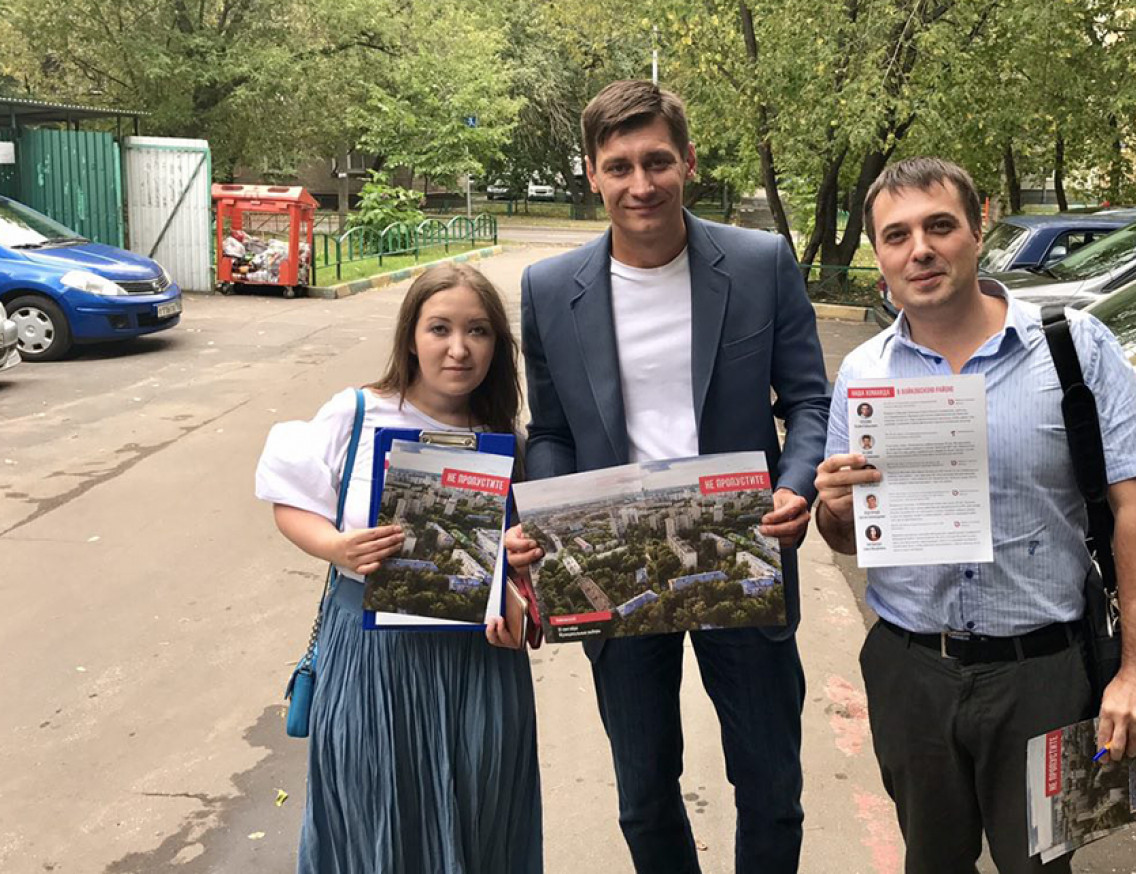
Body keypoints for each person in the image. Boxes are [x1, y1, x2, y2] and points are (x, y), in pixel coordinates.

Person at [504, 80, 830, 873]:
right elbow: (549, 430)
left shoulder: (758, 263)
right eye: (619, 166)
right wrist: (545, 518)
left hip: (736, 547)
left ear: (687, 160)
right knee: (644, 793)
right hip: (613, 559)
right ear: (591, 173)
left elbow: (810, 401)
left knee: (770, 786)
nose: (639, 184)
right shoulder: (550, 290)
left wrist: (796, 482)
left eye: (656, 161)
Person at [813, 158, 1136, 874]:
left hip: (1041, 675)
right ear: (878, 257)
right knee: (931, 862)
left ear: (980, 225)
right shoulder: (863, 375)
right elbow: (847, 538)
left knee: (1040, 865)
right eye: (896, 236)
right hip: (912, 671)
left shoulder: (1074, 348)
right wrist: (835, 510)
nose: (920, 249)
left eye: (939, 226)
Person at [255, 264, 542, 873]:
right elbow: (290, 499)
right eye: (440, 328)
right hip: (370, 660)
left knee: (481, 818)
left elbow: (520, 561)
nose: (458, 348)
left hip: (478, 668)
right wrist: (335, 547)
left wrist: (520, 607)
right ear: (410, 335)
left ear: (498, 344)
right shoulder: (357, 413)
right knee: (370, 816)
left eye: (479, 331)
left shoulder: (507, 442)